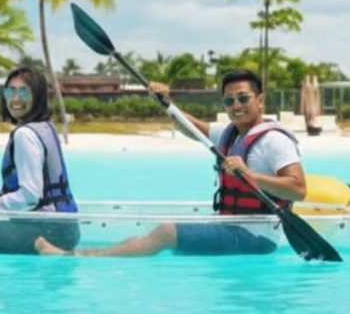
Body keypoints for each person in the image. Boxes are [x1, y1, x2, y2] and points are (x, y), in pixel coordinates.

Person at [35, 69, 306, 257]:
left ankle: (82, 257)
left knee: (166, 232)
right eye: (229, 100)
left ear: (260, 101)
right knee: (167, 230)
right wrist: (167, 104)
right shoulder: (231, 133)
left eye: (243, 98)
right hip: (229, 226)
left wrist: (251, 176)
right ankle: (88, 253)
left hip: (256, 238)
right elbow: (192, 128)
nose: (236, 105)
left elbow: (298, 189)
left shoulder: (274, 141)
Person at [0, 66, 80, 254]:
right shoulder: (45, 127)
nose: (15, 99)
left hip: (48, 231)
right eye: (10, 91)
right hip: (68, 229)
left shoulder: (25, 135)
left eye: (24, 92)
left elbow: (31, 196)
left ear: (37, 96)